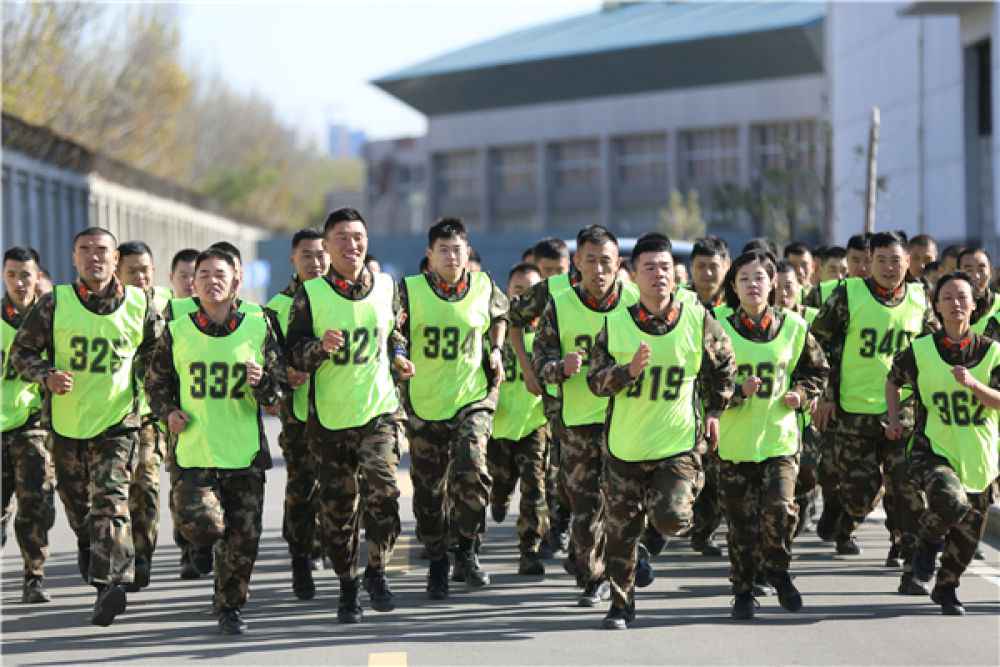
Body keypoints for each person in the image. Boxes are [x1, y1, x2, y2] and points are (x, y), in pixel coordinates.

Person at [10, 227, 162, 626]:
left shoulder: (138, 304)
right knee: (80, 510)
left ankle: (108, 586)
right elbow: (21, 353)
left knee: (110, 504)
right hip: (66, 426)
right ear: (74, 258)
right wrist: (46, 375)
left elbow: (157, 355)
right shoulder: (53, 303)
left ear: (116, 260)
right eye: (85, 251)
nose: (94, 258)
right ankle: (87, 546)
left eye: (102, 251)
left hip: (118, 424)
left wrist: (157, 399)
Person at [586, 233, 736, 629]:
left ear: (675, 274)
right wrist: (627, 372)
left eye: (665, 268)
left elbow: (724, 365)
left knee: (672, 517)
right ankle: (621, 605)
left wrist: (716, 410)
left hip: (677, 443)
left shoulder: (695, 317)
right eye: (649, 268)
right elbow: (594, 382)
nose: (658, 275)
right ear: (633, 276)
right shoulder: (615, 323)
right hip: (626, 447)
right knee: (620, 532)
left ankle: (651, 546)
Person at [146, 248, 284, 635]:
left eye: (219, 273)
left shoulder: (259, 324)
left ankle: (229, 606)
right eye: (202, 274)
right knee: (204, 524)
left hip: (244, 454)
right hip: (195, 451)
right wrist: (168, 411)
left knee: (244, 540)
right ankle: (201, 546)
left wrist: (262, 383)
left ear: (236, 279)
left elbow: (278, 394)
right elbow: (156, 383)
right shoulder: (178, 329)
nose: (210, 281)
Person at [286, 208, 410, 622]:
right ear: (327, 245)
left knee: (385, 494)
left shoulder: (387, 286)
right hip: (330, 420)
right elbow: (293, 353)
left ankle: (377, 570)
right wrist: (319, 347)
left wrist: (399, 356)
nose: (351, 245)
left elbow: (394, 333)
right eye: (341, 238)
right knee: (338, 513)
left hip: (378, 412)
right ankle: (347, 585)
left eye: (357, 237)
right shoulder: (311, 294)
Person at [811, 231, 937, 584]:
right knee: (861, 496)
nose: (888, 267)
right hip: (854, 413)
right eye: (881, 260)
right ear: (869, 263)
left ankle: (912, 565)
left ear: (907, 263)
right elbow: (816, 345)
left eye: (896, 260)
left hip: (903, 412)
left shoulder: (919, 297)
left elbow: (933, 347)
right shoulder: (848, 295)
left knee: (906, 489)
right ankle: (840, 507)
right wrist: (826, 393)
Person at [715, 251, 828, 619]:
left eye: (760, 277)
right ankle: (744, 590)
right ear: (733, 285)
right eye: (744, 278)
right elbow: (702, 382)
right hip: (734, 443)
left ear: (773, 283)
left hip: (780, 439)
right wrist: (735, 391)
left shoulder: (794, 326)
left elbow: (817, 370)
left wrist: (802, 393)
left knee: (779, 510)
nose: (753, 285)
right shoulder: (716, 326)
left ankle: (778, 571)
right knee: (742, 525)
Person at [400, 217, 508, 599]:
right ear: (429, 255)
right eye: (443, 250)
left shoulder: (483, 284)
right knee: (430, 492)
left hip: (472, 396)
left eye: (457, 249)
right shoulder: (409, 291)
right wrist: (399, 355)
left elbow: (499, 316)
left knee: (472, 467)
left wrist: (495, 349)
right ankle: (437, 559)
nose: (451, 256)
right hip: (426, 402)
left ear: (467, 252)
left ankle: (467, 549)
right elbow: (393, 331)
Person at [532, 225, 640, 606]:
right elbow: (539, 360)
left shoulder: (636, 302)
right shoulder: (559, 305)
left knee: (624, 502)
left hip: (627, 421)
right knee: (584, 508)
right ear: (576, 262)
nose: (598, 269)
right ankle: (591, 574)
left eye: (605, 261)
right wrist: (560, 366)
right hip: (577, 423)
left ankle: (625, 566)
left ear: (619, 264)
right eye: (589, 261)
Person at [886, 272, 1000, 614]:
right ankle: (925, 547)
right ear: (936, 306)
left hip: (979, 455)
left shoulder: (992, 352)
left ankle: (946, 588)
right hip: (932, 448)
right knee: (949, 499)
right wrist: (894, 419)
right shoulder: (921, 350)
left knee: (967, 537)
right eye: (947, 297)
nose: (956, 304)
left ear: (975, 305)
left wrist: (974, 386)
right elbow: (892, 381)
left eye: (962, 297)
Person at [264, 228, 330, 599]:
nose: (316, 261)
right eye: (307, 255)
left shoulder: (343, 297)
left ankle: (334, 551)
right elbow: (265, 354)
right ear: (293, 260)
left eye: (322, 254)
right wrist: (283, 375)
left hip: (344, 411)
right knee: (303, 488)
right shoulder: (276, 306)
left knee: (337, 488)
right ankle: (301, 559)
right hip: (299, 413)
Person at [508, 236, 574, 556]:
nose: (553, 277)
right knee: (556, 465)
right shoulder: (541, 294)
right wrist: (527, 368)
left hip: (592, 392)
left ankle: (568, 526)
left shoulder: (585, 291)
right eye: (546, 271)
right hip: (552, 395)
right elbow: (513, 323)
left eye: (559, 270)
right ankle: (558, 526)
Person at [488, 263, 549, 576]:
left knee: (535, 488)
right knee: (498, 484)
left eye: (532, 291)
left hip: (533, 422)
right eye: (518, 290)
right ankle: (498, 499)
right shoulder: (494, 327)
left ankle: (529, 550)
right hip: (497, 425)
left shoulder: (548, 330)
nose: (524, 297)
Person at [1, 246, 55, 603]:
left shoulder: (53, 321)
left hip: (33, 423)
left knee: (36, 501)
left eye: (26, 275)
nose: (19, 282)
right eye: (11, 275)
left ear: (38, 277)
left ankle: (33, 576)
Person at [115, 241, 169, 593]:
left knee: (146, 486)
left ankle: (144, 554)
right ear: (117, 272)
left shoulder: (168, 307)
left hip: (150, 418)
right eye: (132, 270)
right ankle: (116, 555)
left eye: (145, 270)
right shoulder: (109, 309)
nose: (140, 276)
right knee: (112, 495)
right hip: (113, 420)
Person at [687, 236, 731, 557]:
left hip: (725, 403)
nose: (707, 274)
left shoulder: (738, 303)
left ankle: (704, 532)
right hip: (684, 402)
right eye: (700, 267)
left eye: (713, 267)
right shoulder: (680, 303)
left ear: (726, 267)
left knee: (718, 474)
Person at [957, 248, 999, 333]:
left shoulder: (998, 305)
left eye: (981, 270)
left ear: (991, 272)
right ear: (957, 273)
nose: (976, 276)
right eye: (969, 270)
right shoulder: (947, 305)